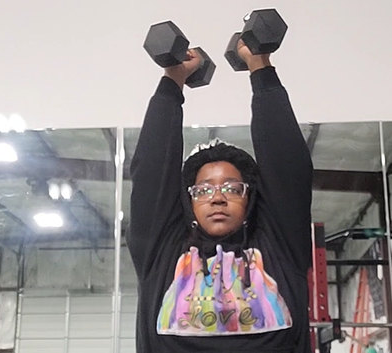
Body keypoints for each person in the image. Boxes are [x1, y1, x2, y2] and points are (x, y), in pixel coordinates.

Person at [127, 38, 313, 353]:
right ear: (189, 200)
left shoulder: (278, 246)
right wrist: (173, 80)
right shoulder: (164, 251)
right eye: (204, 190)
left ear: (250, 198)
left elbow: (288, 167)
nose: (217, 198)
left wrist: (260, 66)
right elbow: (151, 172)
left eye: (231, 188)